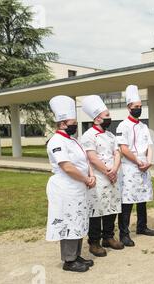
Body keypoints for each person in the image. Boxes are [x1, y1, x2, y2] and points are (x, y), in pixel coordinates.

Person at [46, 95, 96, 273]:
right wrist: (86, 179)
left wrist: (90, 175)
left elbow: (84, 161)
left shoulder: (74, 140)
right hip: (65, 188)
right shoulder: (56, 141)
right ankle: (69, 260)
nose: (75, 125)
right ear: (62, 123)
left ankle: (76, 254)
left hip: (79, 187)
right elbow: (67, 166)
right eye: (73, 122)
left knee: (79, 220)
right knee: (68, 221)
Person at [80, 95, 124, 258]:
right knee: (97, 210)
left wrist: (115, 169)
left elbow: (117, 152)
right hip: (98, 178)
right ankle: (94, 242)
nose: (109, 118)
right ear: (97, 118)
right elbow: (92, 157)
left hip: (112, 176)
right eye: (107, 116)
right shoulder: (88, 135)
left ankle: (108, 237)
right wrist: (108, 171)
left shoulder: (111, 136)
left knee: (111, 207)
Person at [116, 85, 154, 247]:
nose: (138, 109)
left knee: (142, 199)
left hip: (143, 166)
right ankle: (124, 234)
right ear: (128, 108)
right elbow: (123, 148)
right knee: (127, 201)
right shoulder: (122, 126)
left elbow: (150, 146)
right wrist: (138, 162)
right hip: (129, 168)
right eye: (135, 107)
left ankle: (142, 226)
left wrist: (148, 161)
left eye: (140, 107)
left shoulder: (144, 126)